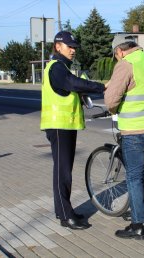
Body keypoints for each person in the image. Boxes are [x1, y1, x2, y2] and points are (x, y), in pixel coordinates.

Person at [104, 35, 144, 239]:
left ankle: (139, 224)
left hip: (135, 131)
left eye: (115, 56)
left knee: (134, 177)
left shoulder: (125, 64)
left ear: (119, 51)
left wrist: (113, 105)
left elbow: (112, 100)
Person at [40, 31, 105, 230]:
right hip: (59, 126)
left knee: (64, 171)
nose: (73, 50)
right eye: (70, 47)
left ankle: (64, 211)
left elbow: (73, 87)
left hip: (65, 125)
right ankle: (65, 216)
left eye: (75, 47)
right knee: (63, 172)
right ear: (58, 46)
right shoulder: (57, 68)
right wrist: (100, 87)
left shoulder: (63, 67)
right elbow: (72, 84)